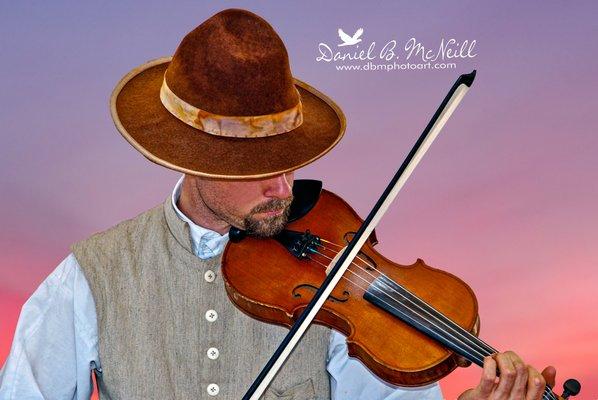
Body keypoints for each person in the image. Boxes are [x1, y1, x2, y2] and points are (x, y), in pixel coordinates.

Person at [0, 8, 556, 400]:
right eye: (257, 168)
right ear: (193, 158)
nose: (284, 188)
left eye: (289, 159)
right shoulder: (90, 277)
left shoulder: (337, 279)